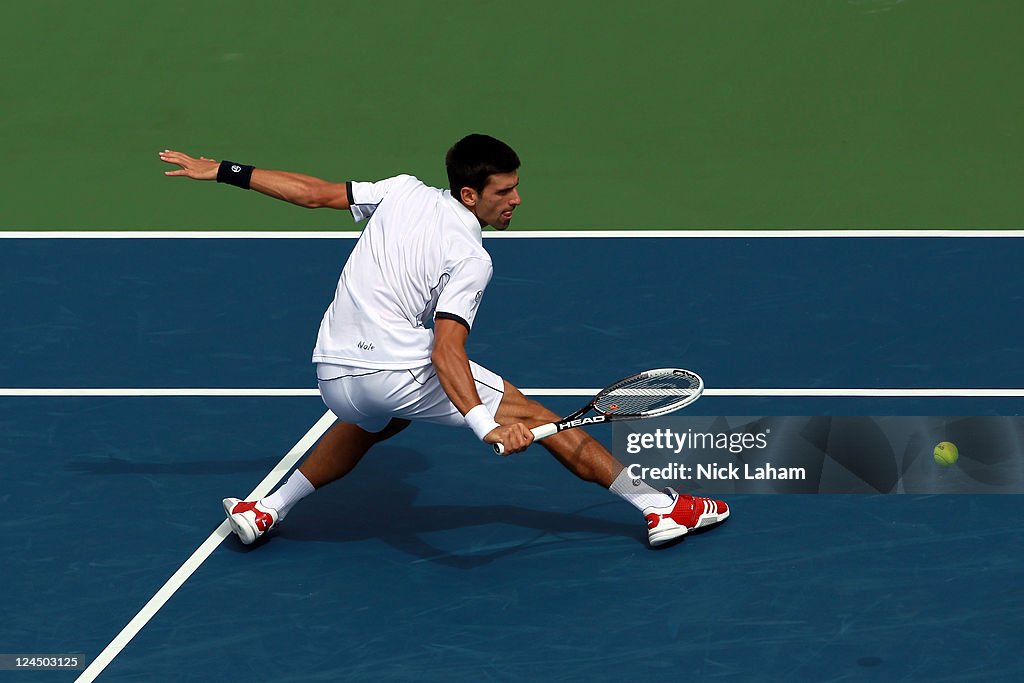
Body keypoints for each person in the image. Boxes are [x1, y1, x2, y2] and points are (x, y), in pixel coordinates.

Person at [158, 134, 728, 548]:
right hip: (395, 374)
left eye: (517, 187)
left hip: (333, 375)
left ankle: (267, 510)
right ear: (468, 194)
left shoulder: (400, 192)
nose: (517, 200)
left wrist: (225, 170)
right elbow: (445, 353)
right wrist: (486, 425)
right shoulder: (471, 257)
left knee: (379, 418)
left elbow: (312, 194)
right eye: (504, 191)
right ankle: (661, 507)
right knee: (533, 414)